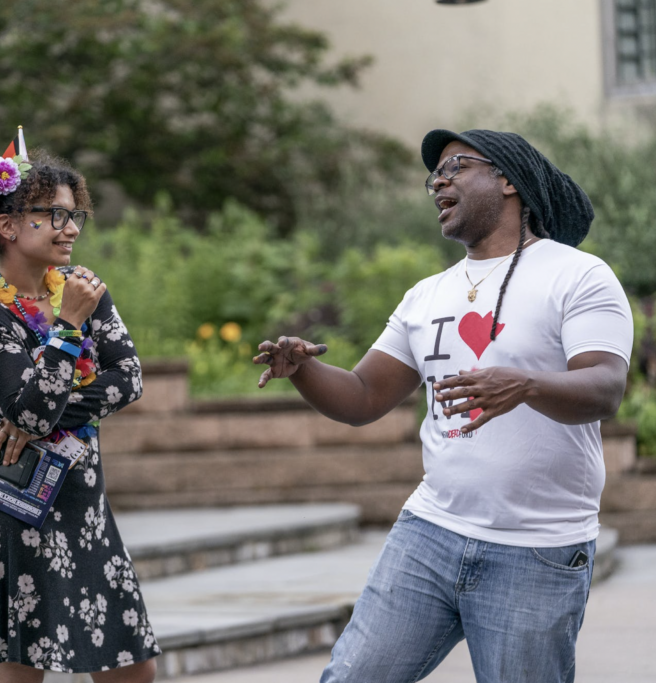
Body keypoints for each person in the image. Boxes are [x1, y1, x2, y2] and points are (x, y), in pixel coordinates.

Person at [254, 129, 634, 683]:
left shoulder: (577, 275)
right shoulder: (425, 295)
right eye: (435, 173)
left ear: (509, 180)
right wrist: (303, 370)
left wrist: (525, 385)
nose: (439, 180)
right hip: (430, 531)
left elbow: (605, 387)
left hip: (537, 549)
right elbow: (363, 398)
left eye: (456, 166)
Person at [0, 148, 159, 683]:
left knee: (135, 669)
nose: (70, 228)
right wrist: (68, 328)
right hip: (15, 514)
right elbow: (35, 412)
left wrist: (44, 412)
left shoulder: (87, 288)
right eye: (54, 215)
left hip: (85, 511)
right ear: (7, 225)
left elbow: (130, 378)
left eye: (75, 214)